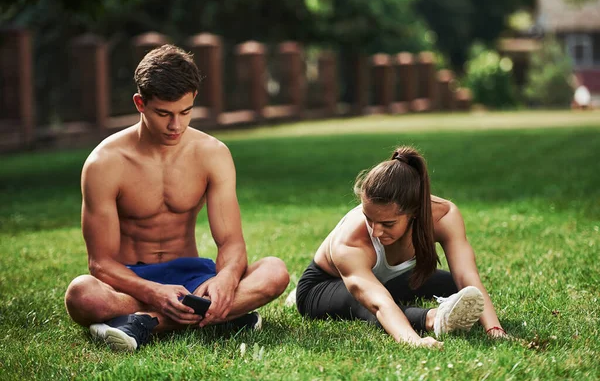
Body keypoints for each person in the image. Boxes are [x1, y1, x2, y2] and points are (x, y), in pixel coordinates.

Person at [64, 44, 289, 351]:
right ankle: (222, 317)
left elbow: (231, 243)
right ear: (140, 103)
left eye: (185, 112)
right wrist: (154, 291)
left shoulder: (213, 154)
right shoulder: (105, 163)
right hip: (133, 280)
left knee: (275, 271)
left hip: (194, 277)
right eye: (164, 114)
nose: (176, 125)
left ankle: (144, 323)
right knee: (82, 295)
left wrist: (225, 279)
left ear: (194, 99)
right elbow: (100, 263)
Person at [288, 146, 507, 348]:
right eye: (369, 218)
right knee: (363, 302)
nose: (375, 231)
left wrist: (494, 329)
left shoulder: (444, 216)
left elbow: (466, 276)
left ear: (413, 212)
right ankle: (432, 317)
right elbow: (379, 303)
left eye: (388, 223)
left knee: (454, 285)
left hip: (387, 281)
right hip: (322, 288)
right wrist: (414, 340)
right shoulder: (350, 239)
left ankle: (442, 313)